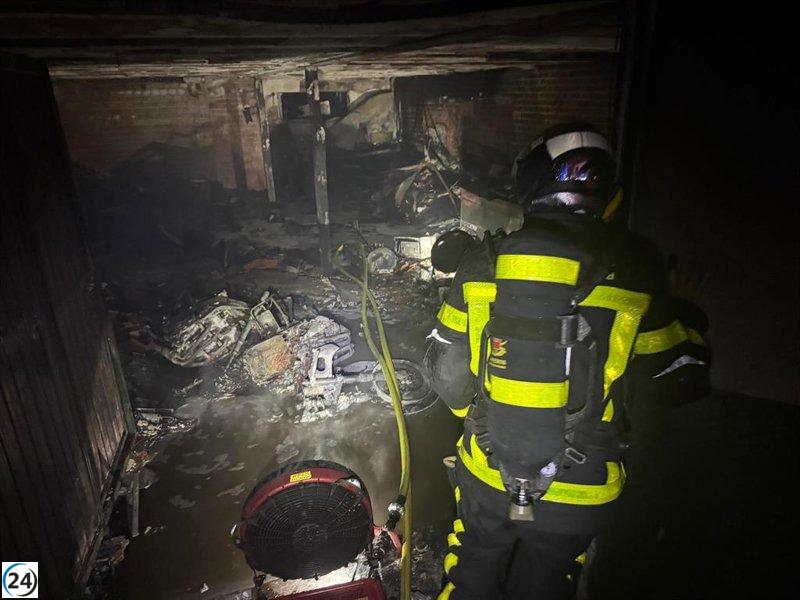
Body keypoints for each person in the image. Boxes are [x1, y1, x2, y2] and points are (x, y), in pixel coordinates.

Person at [425, 125, 710, 599]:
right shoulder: (638, 268)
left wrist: (485, 423)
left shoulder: (481, 263)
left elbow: (443, 370)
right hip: (583, 488)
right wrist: (686, 312)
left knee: (473, 563)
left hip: (488, 471)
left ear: (533, 182)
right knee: (547, 579)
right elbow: (679, 381)